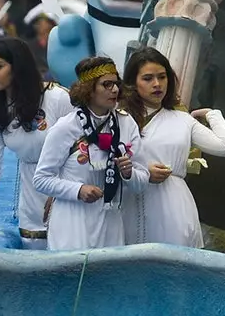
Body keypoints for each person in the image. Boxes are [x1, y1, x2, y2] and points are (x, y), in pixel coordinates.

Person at [0, 37, 72, 248]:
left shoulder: (57, 98)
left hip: (70, 194)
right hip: (31, 199)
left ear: (18, 67)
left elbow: (82, 147)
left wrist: (62, 191)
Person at [121, 47, 225, 247]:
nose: (157, 84)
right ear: (133, 83)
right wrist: (141, 170)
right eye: (148, 78)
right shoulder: (120, 118)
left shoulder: (183, 120)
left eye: (162, 77)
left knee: (168, 266)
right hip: (129, 199)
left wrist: (212, 114)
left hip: (172, 205)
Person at [32, 55, 147, 250]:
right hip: (72, 221)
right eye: (107, 85)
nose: (115, 90)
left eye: (116, 84)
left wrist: (129, 174)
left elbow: (142, 182)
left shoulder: (126, 124)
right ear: (89, 90)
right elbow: (41, 179)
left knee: (106, 278)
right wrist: (78, 190)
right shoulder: (66, 127)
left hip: (110, 222)